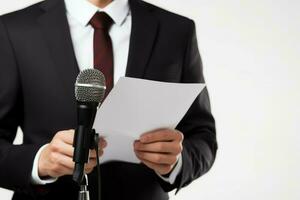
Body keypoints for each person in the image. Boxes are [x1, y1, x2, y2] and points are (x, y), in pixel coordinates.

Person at [0, 0, 217, 199]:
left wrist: (175, 162)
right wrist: (41, 161)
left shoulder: (177, 31)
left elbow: (202, 135)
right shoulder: (14, 30)